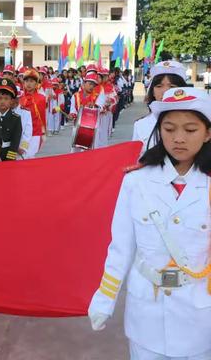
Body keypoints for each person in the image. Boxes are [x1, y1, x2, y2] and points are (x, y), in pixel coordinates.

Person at [88, 86, 211, 360]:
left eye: (190, 130)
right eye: (169, 129)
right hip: (147, 314)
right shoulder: (136, 182)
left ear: (207, 133)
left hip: (200, 317)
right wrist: (105, 298)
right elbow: (121, 248)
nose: (178, 138)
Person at [133, 61, 187, 153]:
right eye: (159, 86)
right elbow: (135, 158)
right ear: (152, 91)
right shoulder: (141, 125)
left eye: (172, 86)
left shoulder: (195, 122)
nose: (165, 91)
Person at [19, 68, 47, 159]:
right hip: (22, 134)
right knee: (22, 157)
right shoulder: (19, 98)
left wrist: (43, 133)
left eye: (31, 81)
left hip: (35, 134)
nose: (28, 83)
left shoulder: (41, 98)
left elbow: (42, 117)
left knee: (30, 156)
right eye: (26, 81)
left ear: (36, 84)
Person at [0, 78, 22, 161]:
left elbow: (15, 141)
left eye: (6, 99)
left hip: (7, 155)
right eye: (0, 98)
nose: (2, 101)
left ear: (11, 101)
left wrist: (9, 159)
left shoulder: (16, 119)